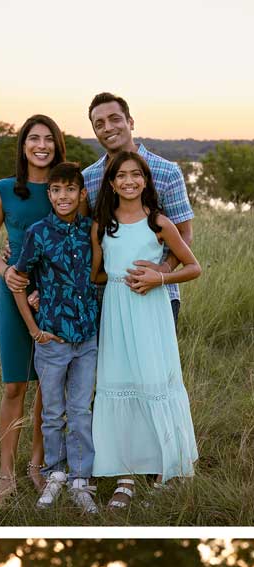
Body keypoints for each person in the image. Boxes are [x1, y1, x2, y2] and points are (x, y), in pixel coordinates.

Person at [90, 152, 201, 509]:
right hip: (117, 312)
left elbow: (193, 266)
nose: (129, 181)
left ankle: (167, 467)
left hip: (151, 310)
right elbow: (96, 274)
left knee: (154, 381)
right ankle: (125, 474)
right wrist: (122, 278)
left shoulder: (158, 222)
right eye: (121, 176)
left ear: (145, 181)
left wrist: (159, 277)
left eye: (136, 175)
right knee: (121, 382)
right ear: (111, 183)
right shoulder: (102, 225)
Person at [0, 115, 66, 504]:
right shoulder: (2, 190)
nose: (41, 145)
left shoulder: (66, 189)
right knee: (15, 384)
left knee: (49, 386)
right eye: (34, 139)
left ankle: (37, 466)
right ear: (23, 145)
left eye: (49, 139)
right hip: (14, 293)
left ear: (57, 145)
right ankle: (5, 475)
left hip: (58, 294)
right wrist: (6, 270)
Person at [12, 162, 99, 514]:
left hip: (87, 338)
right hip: (52, 340)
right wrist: (34, 330)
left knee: (81, 410)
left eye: (70, 190)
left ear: (82, 193)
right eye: (56, 190)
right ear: (49, 194)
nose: (63, 197)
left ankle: (81, 480)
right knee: (52, 413)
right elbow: (18, 280)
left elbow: (100, 275)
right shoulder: (38, 232)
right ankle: (55, 474)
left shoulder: (91, 231)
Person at [83, 92, 194, 326]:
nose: (108, 127)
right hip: (106, 298)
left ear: (130, 122)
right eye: (99, 124)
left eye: (115, 119)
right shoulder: (88, 178)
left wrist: (163, 270)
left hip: (157, 295)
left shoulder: (167, 172)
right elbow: (81, 235)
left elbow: (184, 232)